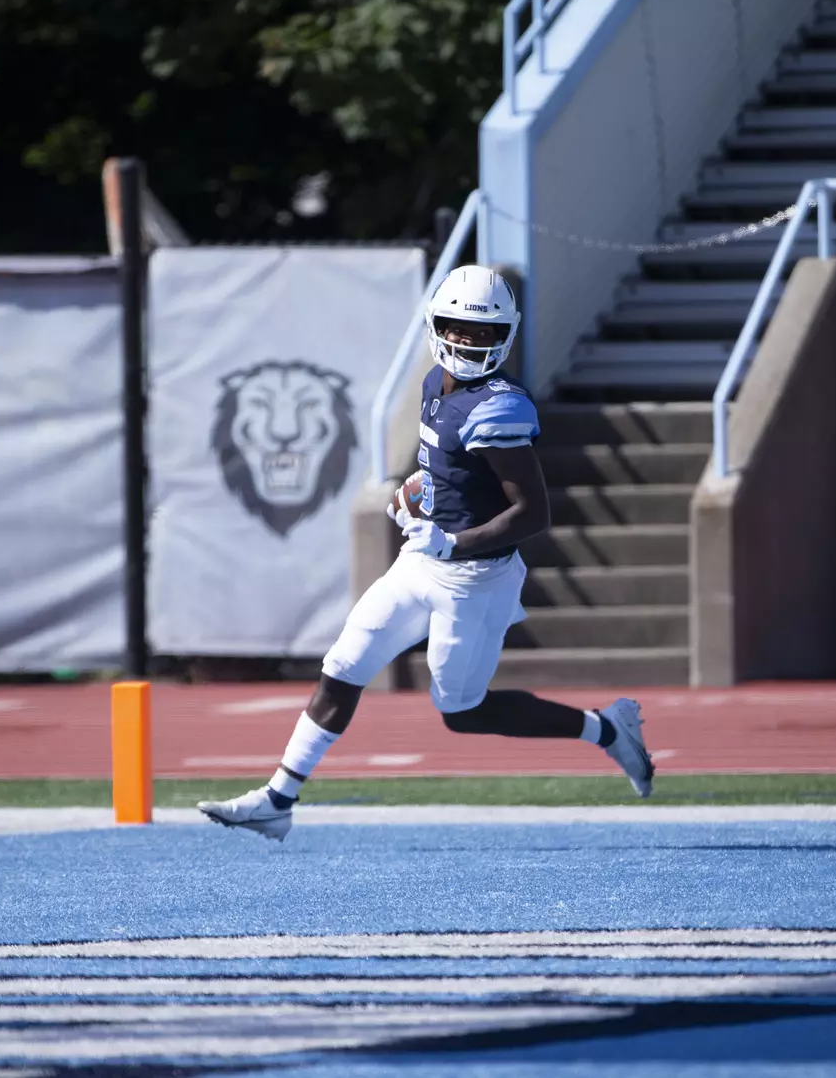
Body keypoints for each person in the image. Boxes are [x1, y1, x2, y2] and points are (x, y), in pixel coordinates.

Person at [198, 265, 653, 841]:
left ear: (506, 336)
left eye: (482, 333)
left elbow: (532, 514)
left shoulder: (501, 406)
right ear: (437, 326)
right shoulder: (433, 384)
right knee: (342, 667)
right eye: (457, 328)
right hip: (420, 562)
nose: (466, 342)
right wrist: (418, 489)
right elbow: (450, 465)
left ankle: (608, 730)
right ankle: (278, 799)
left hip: (475, 581)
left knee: (462, 712)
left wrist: (454, 541)